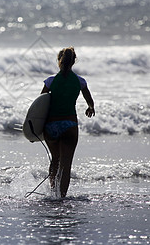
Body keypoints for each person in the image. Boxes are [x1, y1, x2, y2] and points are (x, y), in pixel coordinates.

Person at [41, 46, 95, 198]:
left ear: (59, 61)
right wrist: (90, 108)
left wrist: (34, 128)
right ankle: (61, 197)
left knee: (55, 160)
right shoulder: (80, 81)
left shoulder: (50, 81)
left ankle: (53, 193)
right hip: (69, 125)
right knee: (66, 164)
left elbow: (40, 105)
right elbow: (90, 102)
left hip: (51, 126)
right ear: (74, 62)